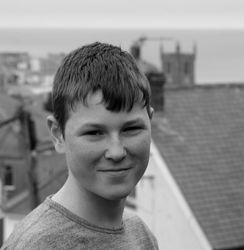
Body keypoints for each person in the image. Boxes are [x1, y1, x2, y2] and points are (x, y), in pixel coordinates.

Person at [1, 42, 158, 249]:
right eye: (94, 133)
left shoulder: (141, 234)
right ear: (58, 135)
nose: (116, 151)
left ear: (150, 121)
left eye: (131, 129)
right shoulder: (37, 245)